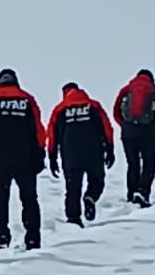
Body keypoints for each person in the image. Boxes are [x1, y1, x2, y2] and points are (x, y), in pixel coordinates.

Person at [0, 68, 48, 249]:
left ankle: (1, 235)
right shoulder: (27, 99)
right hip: (25, 158)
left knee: (0, 199)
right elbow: (38, 129)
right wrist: (40, 153)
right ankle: (33, 237)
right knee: (29, 198)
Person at [47, 82, 115, 226]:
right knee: (97, 181)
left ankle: (74, 219)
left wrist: (52, 157)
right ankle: (90, 197)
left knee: (72, 188)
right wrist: (110, 148)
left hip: (71, 155)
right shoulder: (94, 106)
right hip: (94, 153)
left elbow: (52, 135)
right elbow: (107, 128)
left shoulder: (60, 110)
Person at [112, 69, 155, 207]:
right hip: (149, 132)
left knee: (133, 164)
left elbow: (115, 112)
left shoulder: (126, 89)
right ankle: (143, 192)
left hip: (129, 132)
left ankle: (131, 194)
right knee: (150, 164)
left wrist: (126, 125)